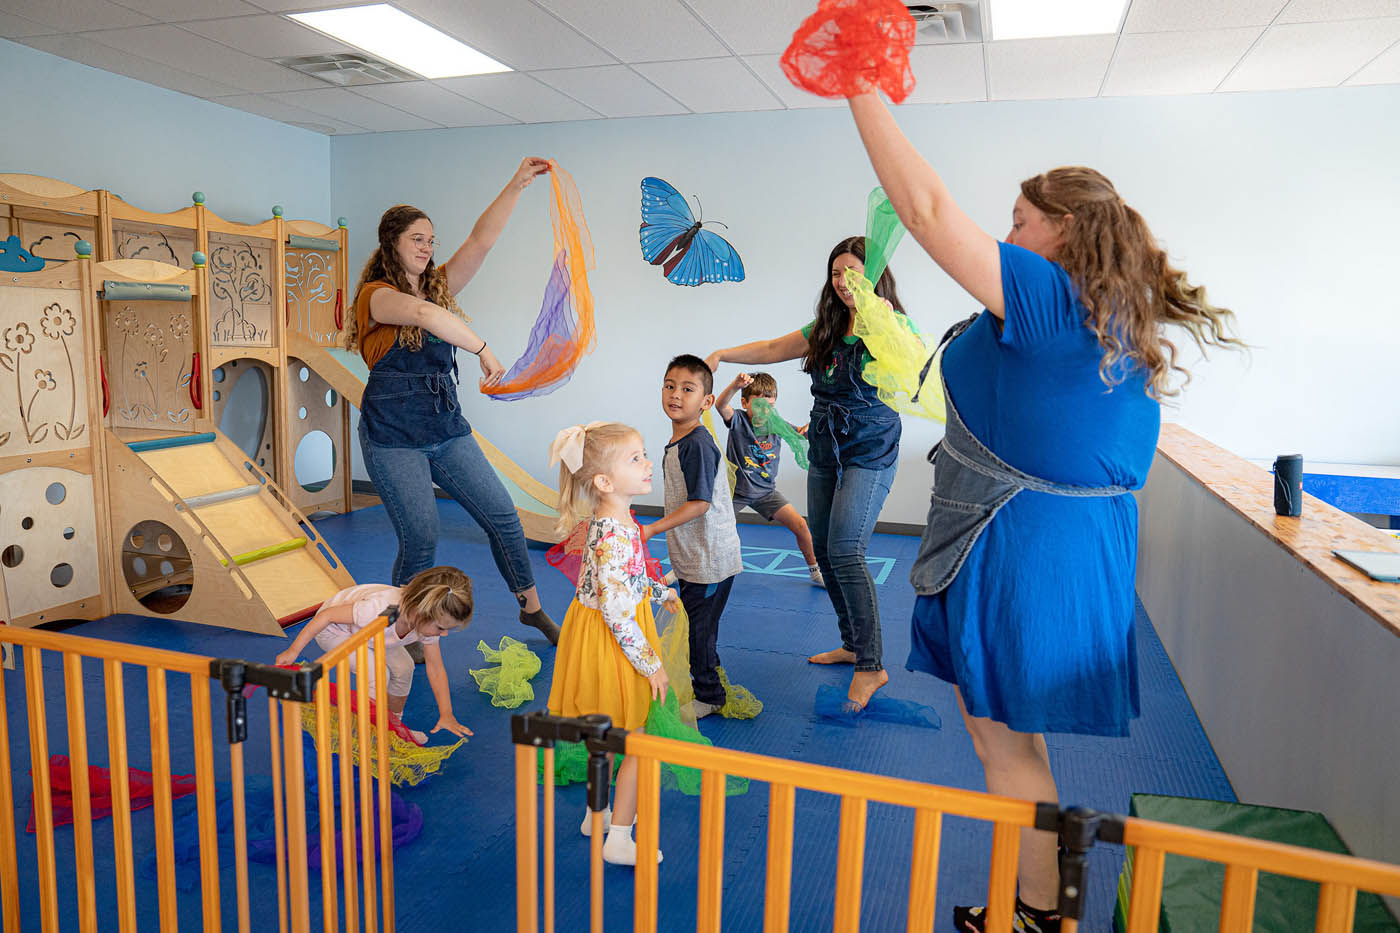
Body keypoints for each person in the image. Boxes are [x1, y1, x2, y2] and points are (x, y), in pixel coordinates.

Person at [843, 90, 1243, 932]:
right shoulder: (1106, 315)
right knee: (1008, 741)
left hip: (1026, 540)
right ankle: (1033, 907)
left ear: (1064, 228)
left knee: (1004, 744)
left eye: (1021, 218)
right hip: (1062, 538)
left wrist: (857, 83)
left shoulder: (1052, 296)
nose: (1009, 234)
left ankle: (1036, 916)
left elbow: (923, 208)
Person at [349, 158, 560, 647]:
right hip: (392, 437)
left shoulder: (439, 286)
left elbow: (480, 243)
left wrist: (515, 185)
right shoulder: (375, 296)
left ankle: (530, 609)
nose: (426, 247)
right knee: (421, 535)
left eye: (430, 240)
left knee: (503, 516)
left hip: (446, 430)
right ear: (392, 243)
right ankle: (405, 629)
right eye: (416, 239)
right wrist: (483, 350)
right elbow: (422, 314)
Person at [706, 238, 905, 710]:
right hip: (825, 445)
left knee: (846, 550)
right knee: (824, 546)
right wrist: (722, 354)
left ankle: (871, 665)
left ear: (875, 278)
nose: (843, 281)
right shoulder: (826, 327)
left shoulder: (891, 326)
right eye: (836, 273)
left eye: (853, 272)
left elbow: (912, 360)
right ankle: (852, 643)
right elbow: (775, 346)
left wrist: (879, 320)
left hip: (870, 449)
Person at [544, 421, 676, 866]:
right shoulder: (615, 534)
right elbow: (618, 613)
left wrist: (658, 592)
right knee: (636, 740)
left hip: (596, 633)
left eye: (643, 453)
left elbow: (618, 583)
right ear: (603, 481)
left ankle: (595, 815)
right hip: (615, 642)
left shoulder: (612, 521)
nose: (647, 463)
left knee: (606, 739)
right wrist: (650, 664)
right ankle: (618, 838)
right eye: (635, 458)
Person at [641, 355, 743, 720]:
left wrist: (652, 528)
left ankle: (709, 695)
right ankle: (708, 674)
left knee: (699, 630)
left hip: (711, 563)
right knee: (699, 625)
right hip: (694, 559)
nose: (675, 395)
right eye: (670, 386)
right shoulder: (680, 441)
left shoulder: (697, 444)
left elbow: (699, 504)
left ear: (706, 402)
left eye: (688, 389)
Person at [274, 567, 475, 743]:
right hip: (336, 631)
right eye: (441, 628)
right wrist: (293, 651)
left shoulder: (426, 621)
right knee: (377, 675)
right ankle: (367, 732)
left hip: (376, 633)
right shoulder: (376, 609)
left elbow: (436, 668)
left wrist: (446, 713)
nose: (444, 634)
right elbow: (326, 616)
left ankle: (393, 728)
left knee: (405, 668)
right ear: (418, 612)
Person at [714, 371, 823, 587]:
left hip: (766, 492)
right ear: (745, 403)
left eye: (770, 406)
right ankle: (685, 571)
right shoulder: (738, 420)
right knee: (712, 529)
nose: (765, 411)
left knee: (801, 525)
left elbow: (801, 434)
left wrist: (811, 428)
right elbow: (720, 405)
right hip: (736, 492)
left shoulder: (776, 424)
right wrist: (735, 385)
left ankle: (815, 571)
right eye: (759, 405)